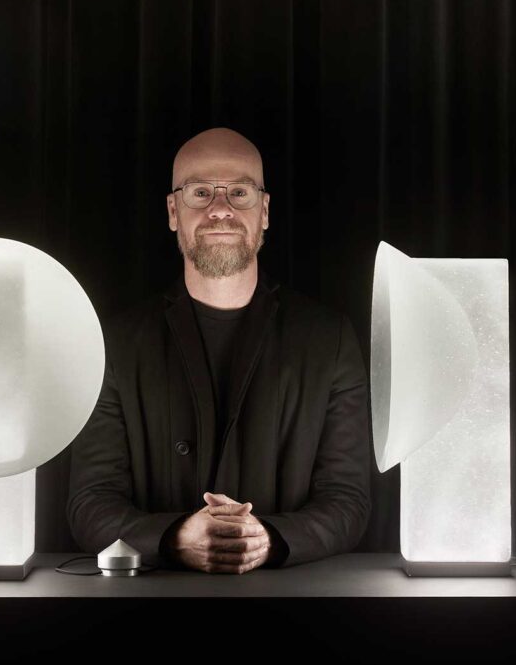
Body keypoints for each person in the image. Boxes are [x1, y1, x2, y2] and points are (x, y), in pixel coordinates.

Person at [67, 127, 371, 573]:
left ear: (264, 211)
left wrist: (266, 539)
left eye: (240, 192)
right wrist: (173, 538)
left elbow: (349, 501)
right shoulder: (113, 343)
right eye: (201, 192)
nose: (221, 209)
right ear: (173, 210)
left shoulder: (331, 338)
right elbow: (89, 503)